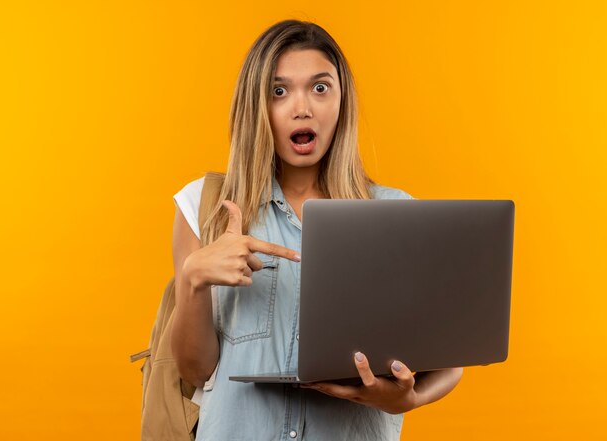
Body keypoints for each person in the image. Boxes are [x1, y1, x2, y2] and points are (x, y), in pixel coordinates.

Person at [171, 19, 463, 440]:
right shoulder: (203, 207)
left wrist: (409, 398)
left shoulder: (396, 214)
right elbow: (196, 370)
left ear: (342, 101)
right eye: (279, 91)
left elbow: (450, 359)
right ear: (257, 105)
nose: (301, 107)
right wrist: (193, 281)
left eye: (320, 87)